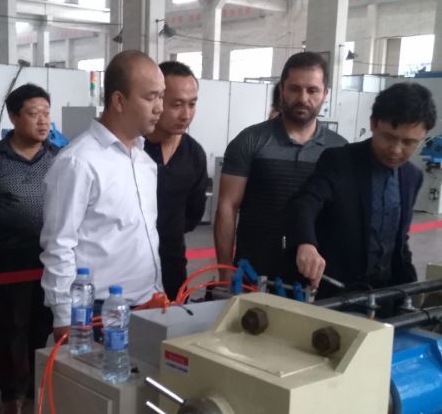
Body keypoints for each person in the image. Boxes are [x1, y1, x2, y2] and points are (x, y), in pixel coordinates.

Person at [40, 50, 164, 342]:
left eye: (161, 96)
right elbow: (59, 245)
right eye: (151, 97)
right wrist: (65, 317)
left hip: (148, 304)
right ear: (119, 100)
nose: (160, 108)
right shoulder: (79, 162)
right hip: (98, 314)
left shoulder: (144, 161)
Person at [284, 82, 437, 298]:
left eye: (408, 142)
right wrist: (306, 243)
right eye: (389, 137)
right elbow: (305, 202)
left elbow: (399, 240)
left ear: (423, 136)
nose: (396, 150)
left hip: (385, 295)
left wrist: (409, 290)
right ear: (374, 123)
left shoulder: (412, 177)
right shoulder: (339, 161)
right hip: (337, 293)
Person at [0, 83, 58, 414]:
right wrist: (9, 221)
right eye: (34, 114)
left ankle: (34, 383)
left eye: (46, 113)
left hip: (51, 255)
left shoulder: (58, 159)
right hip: (10, 256)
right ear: (14, 117)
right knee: (11, 323)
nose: (43, 121)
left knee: (43, 322)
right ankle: (11, 394)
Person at [214, 51, 347, 281]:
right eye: (295, 88)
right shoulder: (250, 141)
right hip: (254, 274)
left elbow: (341, 216)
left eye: (312, 90)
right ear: (282, 90)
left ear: (325, 94)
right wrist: (225, 272)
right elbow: (227, 207)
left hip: (314, 278)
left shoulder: (339, 150)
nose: (303, 98)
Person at [144, 61, 208, 300]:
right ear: (156, 100)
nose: (186, 114)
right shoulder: (132, 150)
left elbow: (193, 214)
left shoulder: (194, 154)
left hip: (173, 268)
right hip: (127, 270)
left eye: (192, 104)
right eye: (177, 104)